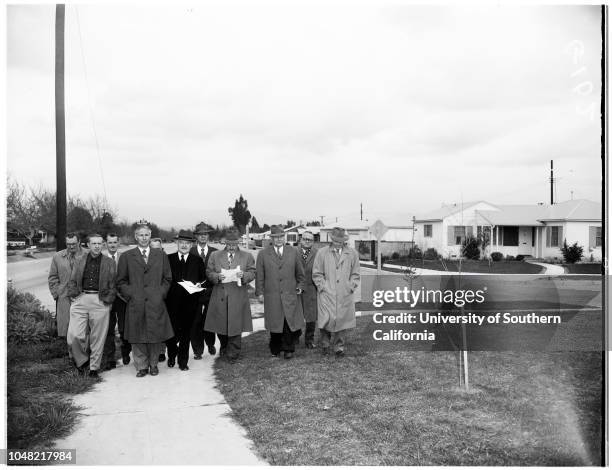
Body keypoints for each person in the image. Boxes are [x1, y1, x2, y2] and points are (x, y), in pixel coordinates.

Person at [116, 222, 174, 377]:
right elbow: (121, 281)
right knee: (137, 334)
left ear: (150, 236)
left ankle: (154, 364)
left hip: (156, 302)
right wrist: (132, 295)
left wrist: (160, 293)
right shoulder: (127, 257)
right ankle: (141, 366)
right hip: (136, 302)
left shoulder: (160, 256)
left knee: (155, 334)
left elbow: (167, 278)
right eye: (140, 235)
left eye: (146, 235)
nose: (144, 238)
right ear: (135, 237)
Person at [66, 234, 116, 377]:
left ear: (103, 245)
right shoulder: (79, 260)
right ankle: (82, 361)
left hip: (100, 300)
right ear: (88, 245)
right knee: (74, 335)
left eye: (99, 243)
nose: (97, 246)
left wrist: (108, 300)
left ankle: (94, 368)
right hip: (81, 299)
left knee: (97, 337)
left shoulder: (109, 262)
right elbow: (72, 280)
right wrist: (73, 296)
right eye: (94, 243)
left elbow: (113, 284)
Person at [204, 228, 255, 362]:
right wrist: (216, 276)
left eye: (234, 243)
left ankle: (233, 352)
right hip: (220, 295)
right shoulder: (215, 255)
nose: (232, 246)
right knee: (221, 324)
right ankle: (224, 346)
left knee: (236, 324)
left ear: (239, 241)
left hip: (238, 295)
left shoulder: (247, 256)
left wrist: (244, 275)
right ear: (224, 242)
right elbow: (208, 272)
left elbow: (252, 272)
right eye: (229, 243)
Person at [256, 225, 305, 359]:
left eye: (281, 237)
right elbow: (260, 275)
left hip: (290, 293)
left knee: (288, 321)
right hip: (272, 295)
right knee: (275, 322)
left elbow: (300, 273)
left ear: (284, 237)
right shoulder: (263, 254)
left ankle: (289, 349)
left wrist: (300, 285)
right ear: (271, 238)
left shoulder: (293, 252)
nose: (278, 239)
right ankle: (275, 348)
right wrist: (259, 292)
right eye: (275, 237)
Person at [312, 227, 360, 357]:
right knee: (326, 320)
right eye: (336, 240)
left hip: (344, 293)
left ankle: (339, 347)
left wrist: (350, 286)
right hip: (326, 293)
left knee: (341, 320)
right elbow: (317, 273)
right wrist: (322, 287)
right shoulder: (322, 253)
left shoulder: (352, 253)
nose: (338, 243)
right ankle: (325, 345)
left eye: (341, 241)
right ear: (331, 239)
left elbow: (355, 274)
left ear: (344, 240)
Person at [165, 230, 206, 371]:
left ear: (191, 245)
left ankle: (183, 362)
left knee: (186, 334)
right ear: (177, 243)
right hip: (171, 303)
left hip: (190, 303)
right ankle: (171, 354)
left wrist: (200, 285)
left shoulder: (197, 260)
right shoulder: (168, 259)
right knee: (171, 334)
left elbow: (204, 280)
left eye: (187, 243)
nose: (184, 245)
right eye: (181, 242)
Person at [101, 232, 131, 369]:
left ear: (118, 243)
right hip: (107, 298)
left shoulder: (124, 258)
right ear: (105, 244)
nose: (112, 245)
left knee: (124, 328)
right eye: (110, 242)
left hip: (122, 299)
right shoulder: (102, 259)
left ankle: (125, 352)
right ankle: (110, 359)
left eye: (114, 242)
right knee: (108, 329)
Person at [48, 232, 87, 339]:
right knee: (65, 326)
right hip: (64, 296)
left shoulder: (87, 255)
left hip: (82, 296)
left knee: (82, 327)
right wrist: (57, 293)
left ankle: (82, 352)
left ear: (79, 242)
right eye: (68, 244)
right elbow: (52, 277)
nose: (71, 246)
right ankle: (66, 351)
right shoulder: (57, 257)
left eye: (74, 243)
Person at [189, 222, 218, 358]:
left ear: (208, 236)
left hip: (211, 291)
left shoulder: (215, 252)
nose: (203, 237)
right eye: (200, 235)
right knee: (195, 321)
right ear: (196, 236)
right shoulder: (190, 251)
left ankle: (210, 343)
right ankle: (197, 350)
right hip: (194, 292)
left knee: (209, 319)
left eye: (205, 234)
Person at [298, 231, 319, 348]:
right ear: (301, 239)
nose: (307, 241)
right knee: (295, 315)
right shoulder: (293, 252)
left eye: (309, 240)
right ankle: (294, 337)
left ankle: (309, 340)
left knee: (311, 317)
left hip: (311, 289)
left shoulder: (317, 253)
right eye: (305, 239)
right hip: (296, 289)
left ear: (313, 242)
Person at [150, 237, 167, 362]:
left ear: (162, 248)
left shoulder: (165, 259)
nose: (156, 250)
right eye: (153, 248)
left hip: (162, 296)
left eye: (158, 248)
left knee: (161, 325)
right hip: (148, 297)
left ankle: (161, 350)